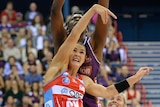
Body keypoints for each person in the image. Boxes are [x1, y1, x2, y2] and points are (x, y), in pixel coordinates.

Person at [44, 4, 153, 107]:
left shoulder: (83, 80)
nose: (78, 54)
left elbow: (108, 91)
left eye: (82, 52)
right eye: (74, 50)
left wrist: (136, 77)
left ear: (85, 59)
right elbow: (73, 35)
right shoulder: (58, 69)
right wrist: (93, 10)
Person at [51, 0, 111, 106]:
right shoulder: (62, 43)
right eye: (73, 19)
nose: (78, 20)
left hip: (89, 101)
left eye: (81, 19)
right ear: (66, 26)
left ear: (86, 27)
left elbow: (103, 11)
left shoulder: (94, 45)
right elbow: (55, 11)